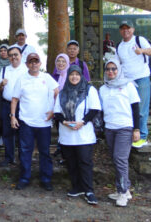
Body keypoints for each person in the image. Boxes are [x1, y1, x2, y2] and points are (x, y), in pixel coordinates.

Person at [54, 65, 101, 205]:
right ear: (67, 76)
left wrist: (83, 122)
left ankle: (89, 190)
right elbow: (57, 113)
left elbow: (95, 109)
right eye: (71, 74)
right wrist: (65, 122)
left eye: (77, 74)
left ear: (81, 75)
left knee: (85, 162)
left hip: (84, 134)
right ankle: (77, 186)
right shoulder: (62, 93)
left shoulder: (89, 90)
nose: (74, 77)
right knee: (71, 162)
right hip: (67, 134)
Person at [10, 53, 58, 191]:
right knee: (25, 151)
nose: (34, 64)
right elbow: (14, 99)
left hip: (44, 122)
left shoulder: (47, 78)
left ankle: (46, 179)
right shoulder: (22, 79)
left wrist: (54, 110)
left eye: (36, 61)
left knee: (45, 151)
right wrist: (13, 116)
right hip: (26, 121)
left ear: (40, 63)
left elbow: (57, 93)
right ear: (27, 64)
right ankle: (24, 178)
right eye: (31, 62)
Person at [100, 59, 140, 207]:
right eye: (108, 69)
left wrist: (136, 129)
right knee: (116, 159)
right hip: (110, 128)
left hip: (125, 127)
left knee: (120, 159)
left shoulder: (128, 86)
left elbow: (136, 109)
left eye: (114, 69)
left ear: (119, 70)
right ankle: (124, 189)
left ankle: (123, 193)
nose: (111, 72)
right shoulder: (103, 89)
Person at [116, 20, 151, 148]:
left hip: (142, 78)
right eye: (123, 28)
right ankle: (132, 135)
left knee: (142, 108)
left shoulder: (139, 39)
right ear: (120, 31)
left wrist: (141, 50)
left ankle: (142, 136)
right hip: (127, 81)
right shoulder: (119, 46)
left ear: (133, 29)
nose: (125, 30)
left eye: (128, 28)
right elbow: (118, 64)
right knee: (130, 108)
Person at [0, 46, 28, 167]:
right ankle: (9, 157)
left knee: (22, 133)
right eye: (11, 55)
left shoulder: (26, 70)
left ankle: (22, 158)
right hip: (6, 104)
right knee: (7, 132)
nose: (13, 57)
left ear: (21, 56)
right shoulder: (5, 70)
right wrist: (1, 84)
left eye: (16, 54)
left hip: (22, 105)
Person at [51, 53, 71, 157]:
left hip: (69, 107)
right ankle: (60, 148)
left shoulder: (71, 75)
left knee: (67, 128)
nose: (61, 63)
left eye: (63, 61)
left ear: (67, 62)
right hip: (57, 107)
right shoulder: (54, 75)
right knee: (59, 127)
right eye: (59, 61)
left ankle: (66, 151)